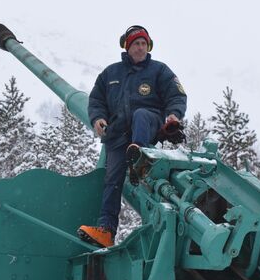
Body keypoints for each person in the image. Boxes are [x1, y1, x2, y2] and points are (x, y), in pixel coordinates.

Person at [78, 25, 187, 248]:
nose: (140, 47)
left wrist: (174, 116)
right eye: (136, 43)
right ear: (127, 47)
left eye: (144, 44)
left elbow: (176, 95)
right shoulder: (110, 74)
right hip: (117, 136)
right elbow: (96, 100)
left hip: (149, 124)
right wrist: (98, 118)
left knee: (141, 114)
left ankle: (139, 155)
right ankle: (106, 230)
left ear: (149, 46)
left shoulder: (159, 71)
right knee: (112, 180)